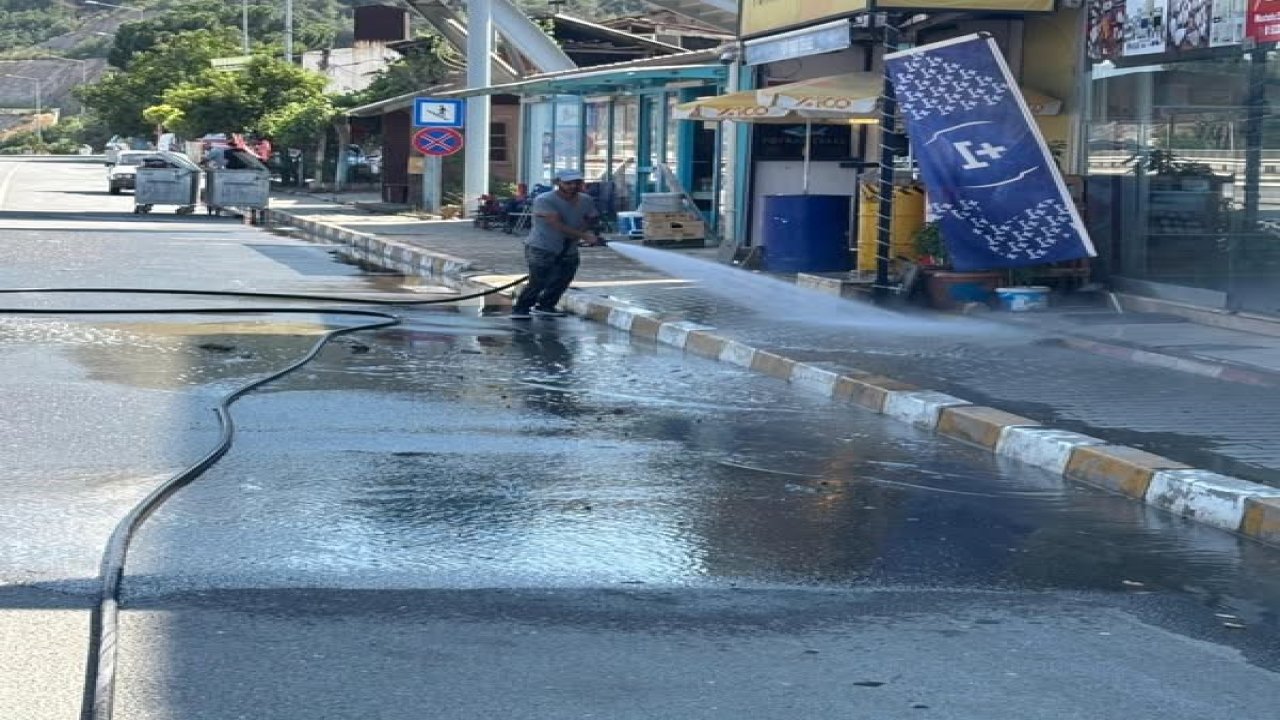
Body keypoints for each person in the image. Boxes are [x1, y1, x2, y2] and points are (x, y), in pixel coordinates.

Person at [511, 169, 602, 320]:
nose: (573, 186)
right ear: (558, 183)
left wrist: (585, 231)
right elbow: (555, 223)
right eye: (568, 183)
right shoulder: (545, 200)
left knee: (564, 278)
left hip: (569, 248)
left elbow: (592, 217)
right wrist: (583, 236)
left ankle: (546, 305)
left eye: (577, 182)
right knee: (539, 280)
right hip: (542, 247)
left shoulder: (586, 200)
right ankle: (521, 308)